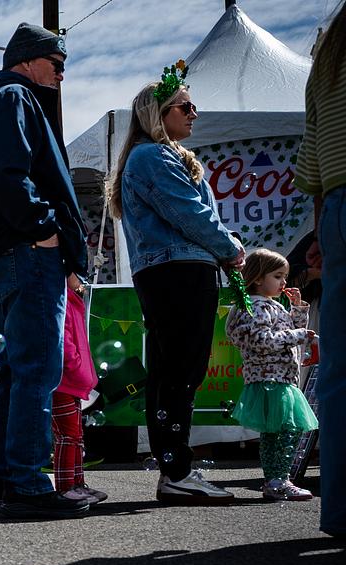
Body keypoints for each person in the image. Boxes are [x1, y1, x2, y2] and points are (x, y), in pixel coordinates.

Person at [0, 24, 88, 518]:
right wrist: (45, 229)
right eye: (57, 62)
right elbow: (9, 174)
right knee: (36, 370)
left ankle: (9, 482)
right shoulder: (13, 96)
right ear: (29, 58)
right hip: (25, 251)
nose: (62, 73)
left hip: (3, 252)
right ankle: (29, 483)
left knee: (18, 369)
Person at [107, 69, 245, 505]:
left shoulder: (154, 157)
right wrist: (231, 247)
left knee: (176, 372)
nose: (194, 113)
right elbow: (190, 214)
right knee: (180, 372)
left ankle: (176, 468)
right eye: (185, 106)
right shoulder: (152, 157)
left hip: (173, 268)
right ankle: (177, 471)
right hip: (178, 270)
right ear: (157, 113)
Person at [294, 6, 345, 536]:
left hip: (336, 207)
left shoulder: (326, 62)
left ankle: (339, 508)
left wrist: (323, 238)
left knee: (337, 369)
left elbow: (311, 170)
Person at [225, 249, 318, 501]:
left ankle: (275, 481)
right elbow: (262, 340)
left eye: (285, 277)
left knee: (275, 433)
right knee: (287, 431)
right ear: (257, 279)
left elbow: (286, 330)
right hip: (272, 379)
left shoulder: (269, 305)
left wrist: (298, 309)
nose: (284, 283)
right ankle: (279, 480)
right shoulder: (258, 306)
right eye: (278, 276)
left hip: (278, 378)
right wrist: (302, 335)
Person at [52, 275, 106, 504]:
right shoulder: (61, 300)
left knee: (76, 436)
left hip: (73, 381)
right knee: (67, 436)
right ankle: (66, 487)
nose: (82, 279)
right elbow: (64, 343)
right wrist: (79, 370)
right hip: (63, 380)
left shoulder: (72, 300)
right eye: (77, 274)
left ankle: (78, 483)